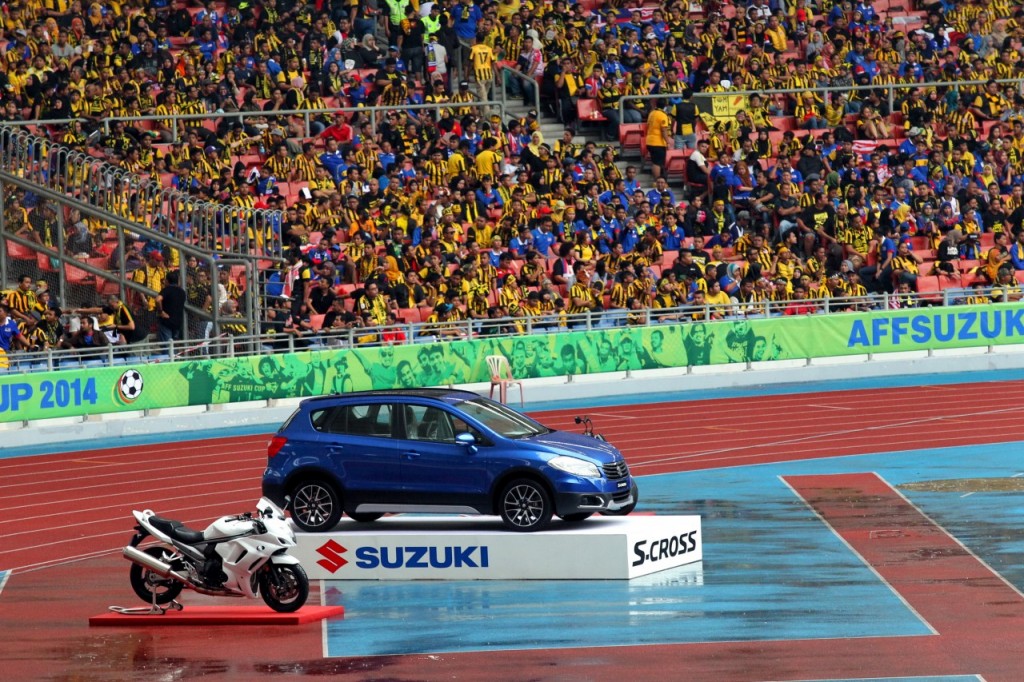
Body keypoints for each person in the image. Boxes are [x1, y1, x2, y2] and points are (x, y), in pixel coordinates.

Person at [645, 99, 672, 182]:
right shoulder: (662, 115)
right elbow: (664, 130)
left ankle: (659, 180)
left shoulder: (652, 113)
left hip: (650, 141)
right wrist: (668, 141)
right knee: (657, 163)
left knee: (656, 162)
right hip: (658, 142)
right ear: (665, 106)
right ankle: (658, 181)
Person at [156, 273, 187, 342]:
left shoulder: (167, 290)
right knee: (174, 345)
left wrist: (161, 312)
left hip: (166, 321)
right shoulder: (182, 292)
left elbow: (158, 299)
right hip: (177, 322)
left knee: (167, 346)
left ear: (167, 281)